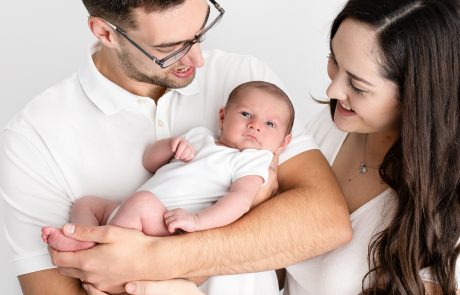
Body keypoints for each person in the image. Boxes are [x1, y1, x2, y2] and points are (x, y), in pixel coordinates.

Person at [81, 0, 460, 294]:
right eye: (333, 61)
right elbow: (271, 260)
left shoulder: (445, 208)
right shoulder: (328, 130)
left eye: (357, 86)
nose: (331, 91)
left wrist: (157, 259)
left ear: (417, 96)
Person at [0, 0, 351, 295]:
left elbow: (326, 223)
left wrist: (154, 259)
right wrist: (256, 224)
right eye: (170, 49)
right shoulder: (32, 139)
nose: (198, 60)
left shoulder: (247, 82)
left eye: (200, 34)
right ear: (106, 33)